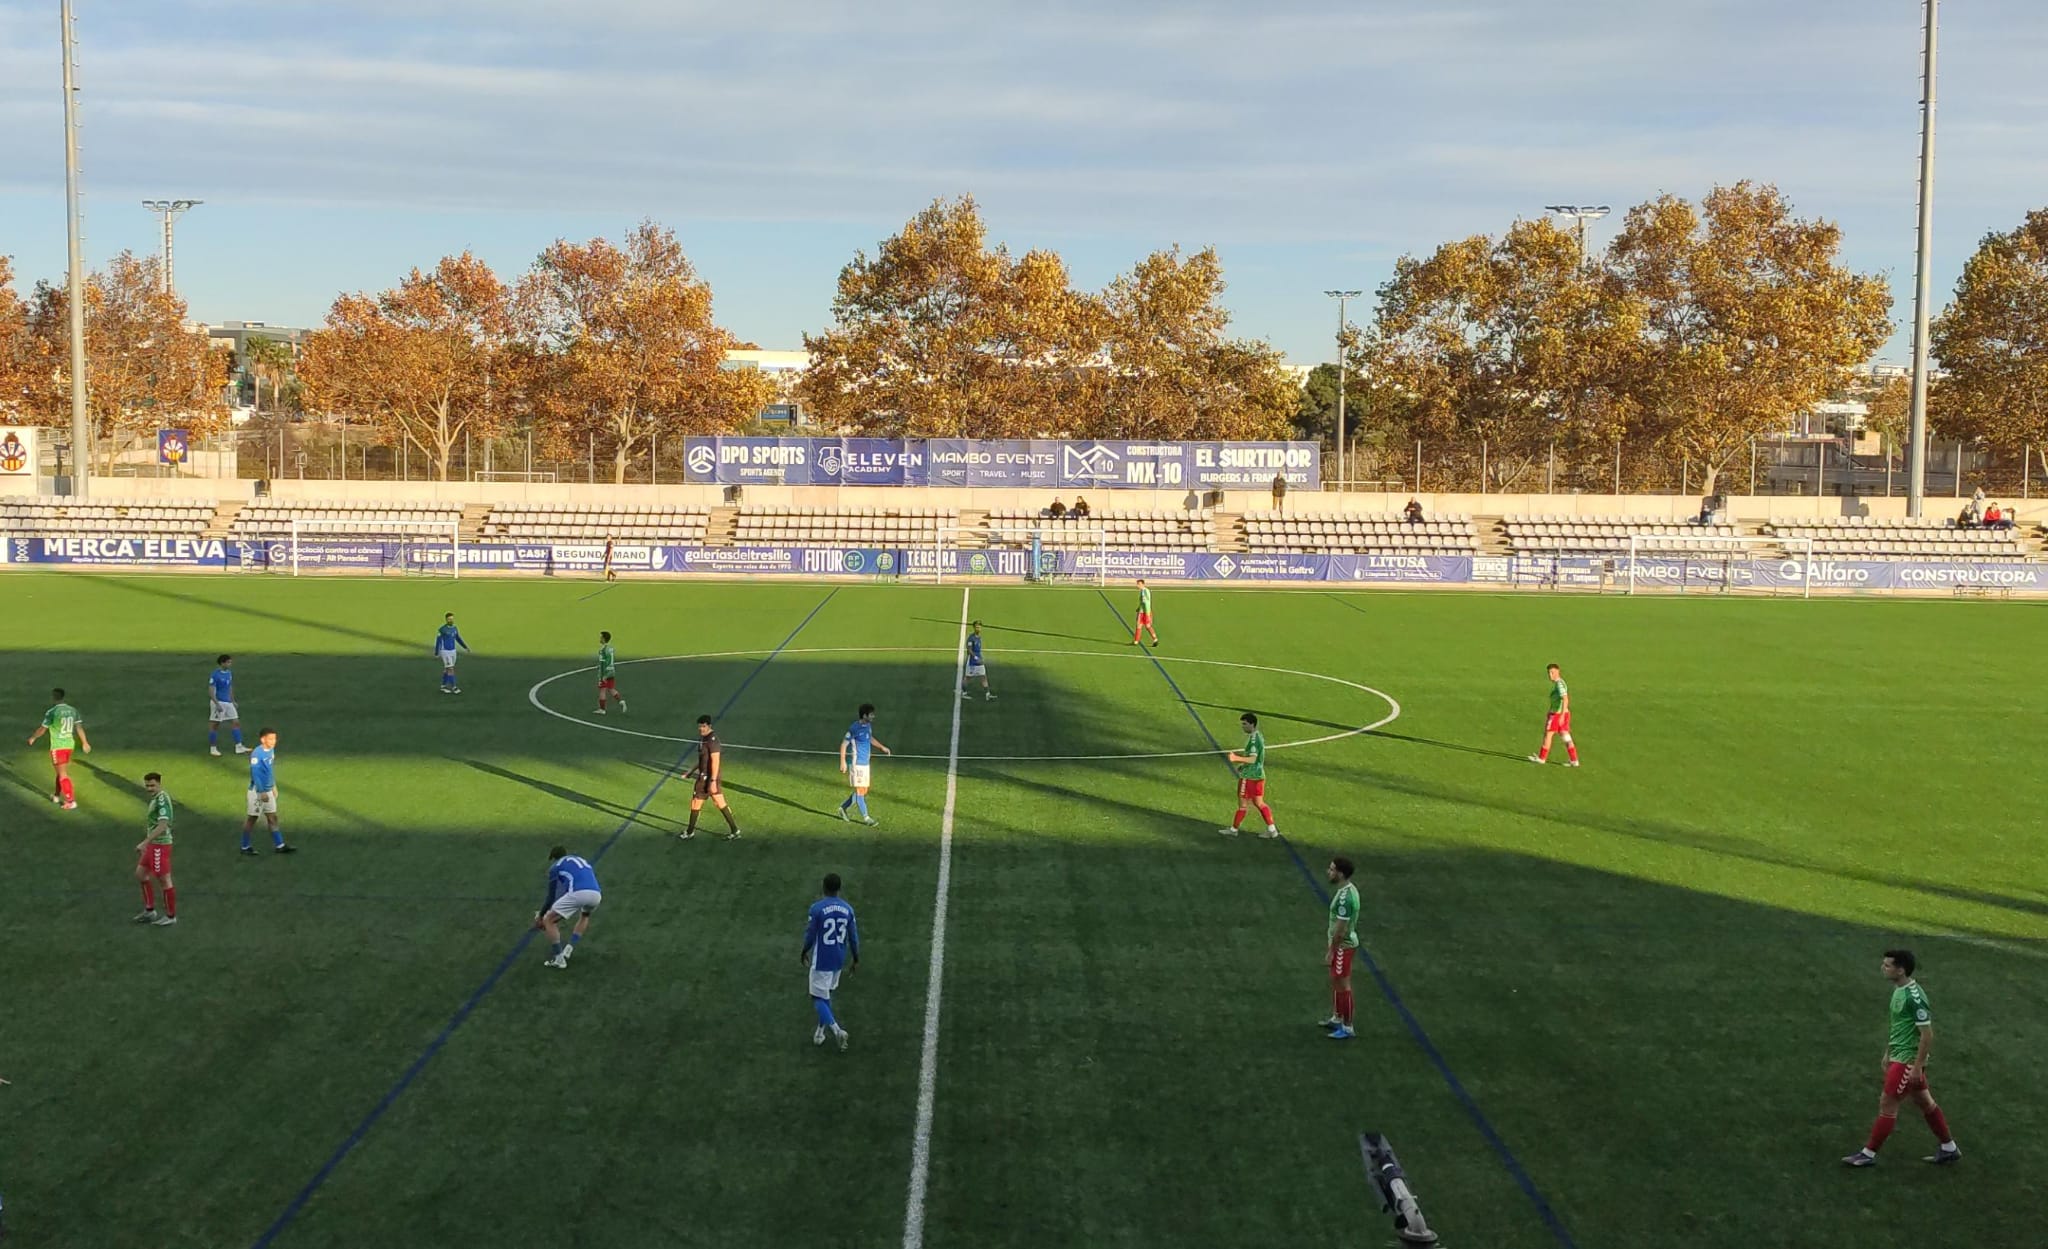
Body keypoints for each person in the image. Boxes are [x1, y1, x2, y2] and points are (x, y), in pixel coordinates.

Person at [1843, 949, 1961, 1167]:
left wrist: (1917, 1067)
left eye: (1887, 965)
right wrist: (1888, 1051)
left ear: (1901, 969)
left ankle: (1868, 1154)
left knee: (1887, 1104)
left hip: (1907, 1060)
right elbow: (1900, 1026)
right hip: (1899, 1056)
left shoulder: (1914, 998)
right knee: (1925, 1102)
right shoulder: (1899, 989)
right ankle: (1949, 1148)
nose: (1883, 968)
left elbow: (1927, 1034)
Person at [801, 872, 860, 1051]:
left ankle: (837, 1031)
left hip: (822, 959)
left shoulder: (817, 909)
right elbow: (853, 937)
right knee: (826, 994)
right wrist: (856, 958)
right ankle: (820, 1032)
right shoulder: (848, 909)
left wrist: (804, 950)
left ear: (824, 887)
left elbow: (811, 934)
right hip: (839, 958)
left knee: (817, 997)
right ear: (839, 889)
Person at [534, 845, 601, 969]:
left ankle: (559, 959)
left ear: (554, 857)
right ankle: (568, 949)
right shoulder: (580, 860)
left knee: (548, 920)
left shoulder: (555, 867)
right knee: (585, 916)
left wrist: (541, 915)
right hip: (596, 894)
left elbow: (550, 897)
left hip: (578, 893)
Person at [27, 688, 90, 810]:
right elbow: (79, 728)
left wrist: (33, 737)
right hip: (69, 745)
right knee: (60, 772)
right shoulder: (73, 710)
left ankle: (71, 801)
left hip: (58, 746)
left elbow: (42, 729)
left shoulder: (52, 712)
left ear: (54, 697)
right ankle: (56, 795)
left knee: (62, 774)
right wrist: (85, 743)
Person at [683, 715, 741, 840]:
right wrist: (690, 771)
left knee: (699, 803)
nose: (701, 729)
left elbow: (715, 761)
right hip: (705, 777)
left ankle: (689, 832)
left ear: (709, 726)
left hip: (708, 778)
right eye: (699, 726)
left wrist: (713, 780)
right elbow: (703, 760)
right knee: (716, 803)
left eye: (703, 726)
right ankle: (735, 830)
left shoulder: (712, 740)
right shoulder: (703, 739)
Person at [1220, 712, 1278, 838]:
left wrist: (1236, 758)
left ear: (1252, 724)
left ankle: (1233, 830)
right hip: (1259, 776)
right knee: (1260, 803)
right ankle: (1272, 829)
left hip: (1249, 777)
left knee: (1242, 805)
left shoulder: (1253, 740)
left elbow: (1252, 759)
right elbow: (1256, 760)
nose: (1243, 727)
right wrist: (1244, 765)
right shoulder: (1258, 736)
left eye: (1245, 724)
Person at [239, 728, 295, 855]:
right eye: (270, 739)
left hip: (268, 790)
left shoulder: (271, 751)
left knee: (272, 817)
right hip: (257, 791)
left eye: (274, 738)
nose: (273, 741)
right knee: (252, 819)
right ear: (263, 739)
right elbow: (255, 773)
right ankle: (245, 846)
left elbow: (269, 770)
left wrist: (273, 785)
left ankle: (280, 845)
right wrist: (262, 791)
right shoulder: (257, 754)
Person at [1322, 858, 1361, 1040]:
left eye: (1331, 870)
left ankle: (1347, 1026)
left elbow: (1341, 929)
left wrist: (1332, 951)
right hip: (1340, 945)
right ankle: (1337, 1017)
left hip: (1342, 947)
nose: (1328, 872)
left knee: (1343, 985)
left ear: (1340, 873)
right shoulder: (1348, 890)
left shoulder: (1346, 898)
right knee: (1336, 982)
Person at [133, 771, 178, 927]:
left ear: (159, 784)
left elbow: (163, 824)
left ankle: (171, 916)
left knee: (164, 880)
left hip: (160, 845)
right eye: (147, 786)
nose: (150, 788)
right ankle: (150, 910)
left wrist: (145, 842)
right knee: (141, 874)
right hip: (154, 845)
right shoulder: (156, 798)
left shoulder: (161, 800)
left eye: (152, 785)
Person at [837, 704, 891, 826]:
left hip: (865, 764)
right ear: (865, 715)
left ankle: (842, 808)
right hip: (857, 765)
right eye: (871, 714)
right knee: (860, 791)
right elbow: (844, 744)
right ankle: (867, 818)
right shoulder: (854, 728)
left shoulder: (868, 726)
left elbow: (870, 738)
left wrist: (881, 747)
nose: (873, 716)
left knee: (863, 790)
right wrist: (843, 762)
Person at [1528, 663, 1580, 766]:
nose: (1550, 675)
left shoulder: (1559, 684)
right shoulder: (1561, 682)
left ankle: (1542, 758)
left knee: (1548, 735)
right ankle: (1574, 760)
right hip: (1564, 713)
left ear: (1558, 672)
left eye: (1552, 672)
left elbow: (1565, 698)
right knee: (1565, 736)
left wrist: (1560, 716)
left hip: (1557, 715)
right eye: (1549, 673)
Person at [207, 655, 248, 757]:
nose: (230, 664)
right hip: (219, 702)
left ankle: (239, 746)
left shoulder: (229, 673)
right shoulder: (215, 675)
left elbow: (229, 687)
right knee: (215, 725)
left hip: (228, 702)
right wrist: (216, 704)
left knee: (236, 722)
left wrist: (233, 701)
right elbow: (211, 691)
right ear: (222, 663)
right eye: (228, 662)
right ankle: (213, 748)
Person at [434, 612, 470, 695]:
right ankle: (454, 687)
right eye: (449, 619)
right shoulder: (442, 629)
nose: (451, 620)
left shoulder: (455, 628)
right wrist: (436, 652)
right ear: (446, 619)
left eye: (452, 619)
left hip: (453, 651)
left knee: (447, 669)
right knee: (450, 669)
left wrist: (465, 647)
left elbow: (458, 638)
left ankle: (443, 686)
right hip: (445, 651)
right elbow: (438, 641)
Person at [594, 630, 627, 715]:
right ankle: (621, 701)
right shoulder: (611, 648)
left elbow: (604, 662)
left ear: (604, 639)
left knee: (602, 691)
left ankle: (602, 709)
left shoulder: (603, 650)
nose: (600, 638)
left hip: (605, 673)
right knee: (611, 689)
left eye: (601, 637)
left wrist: (603, 674)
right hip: (612, 671)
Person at [963, 620, 995, 701]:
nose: (978, 628)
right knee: (968, 678)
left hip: (979, 662)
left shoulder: (979, 638)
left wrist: (980, 657)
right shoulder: (971, 638)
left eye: (979, 627)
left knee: (983, 677)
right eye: (977, 627)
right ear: (974, 628)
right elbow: (969, 650)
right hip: (972, 662)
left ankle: (988, 694)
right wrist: (976, 658)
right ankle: (964, 693)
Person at [1131, 579, 1160, 647]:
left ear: (1143, 584)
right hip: (1144, 611)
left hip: (1144, 612)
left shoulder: (1144, 592)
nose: (1138, 586)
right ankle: (1153, 639)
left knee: (1143, 625)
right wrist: (1139, 607)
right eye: (1137, 584)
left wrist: (1147, 613)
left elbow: (1146, 602)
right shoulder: (1144, 591)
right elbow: (1143, 602)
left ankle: (1137, 641)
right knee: (1143, 625)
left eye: (1139, 584)